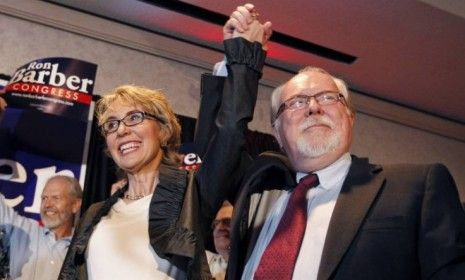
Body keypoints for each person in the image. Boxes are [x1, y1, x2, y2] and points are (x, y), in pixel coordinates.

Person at [200, 6, 465, 280]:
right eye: (297, 103)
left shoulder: (415, 187)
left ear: (350, 117)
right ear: (277, 132)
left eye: (328, 98)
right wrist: (237, 61)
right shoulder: (257, 189)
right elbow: (217, 148)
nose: (313, 108)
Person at [58, 5, 271, 279]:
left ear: (163, 130)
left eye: (134, 117)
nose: (121, 130)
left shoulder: (189, 198)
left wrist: (239, 59)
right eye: (111, 125)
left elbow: (228, 135)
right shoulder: (95, 213)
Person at [0, 175, 82, 280]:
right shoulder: (23, 230)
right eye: (44, 198)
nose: (47, 204)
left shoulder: (85, 248)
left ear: (75, 204)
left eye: (55, 198)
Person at [206, 201, 233, 280]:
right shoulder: (202, 260)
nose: (218, 228)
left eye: (227, 222)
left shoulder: (255, 266)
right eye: (216, 223)